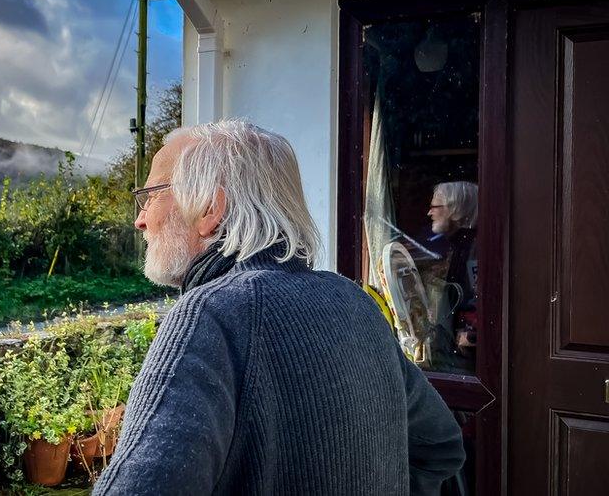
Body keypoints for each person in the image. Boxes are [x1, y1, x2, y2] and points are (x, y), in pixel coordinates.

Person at [93, 120, 465, 496]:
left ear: (209, 207)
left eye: (151, 195)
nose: (140, 219)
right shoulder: (357, 305)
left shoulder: (210, 316)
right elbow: (441, 445)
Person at [426, 181, 478, 373]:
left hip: (464, 353)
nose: (429, 213)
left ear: (455, 210)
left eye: (435, 206)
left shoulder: (473, 248)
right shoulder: (457, 245)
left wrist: (472, 333)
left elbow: (478, 295)